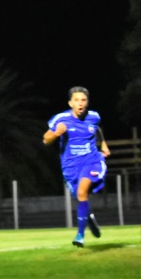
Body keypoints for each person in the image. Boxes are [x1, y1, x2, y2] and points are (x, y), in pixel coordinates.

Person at [43, 86, 111, 248]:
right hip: (70, 166)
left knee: (82, 192)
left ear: (87, 102)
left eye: (83, 100)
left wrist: (103, 145)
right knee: (80, 197)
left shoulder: (94, 117)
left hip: (92, 161)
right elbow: (45, 139)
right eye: (76, 100)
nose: (80, 103)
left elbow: (97, 130)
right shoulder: (61, 119)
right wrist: (56, 133)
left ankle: (80, 235)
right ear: (70, 103)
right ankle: (88, 218)